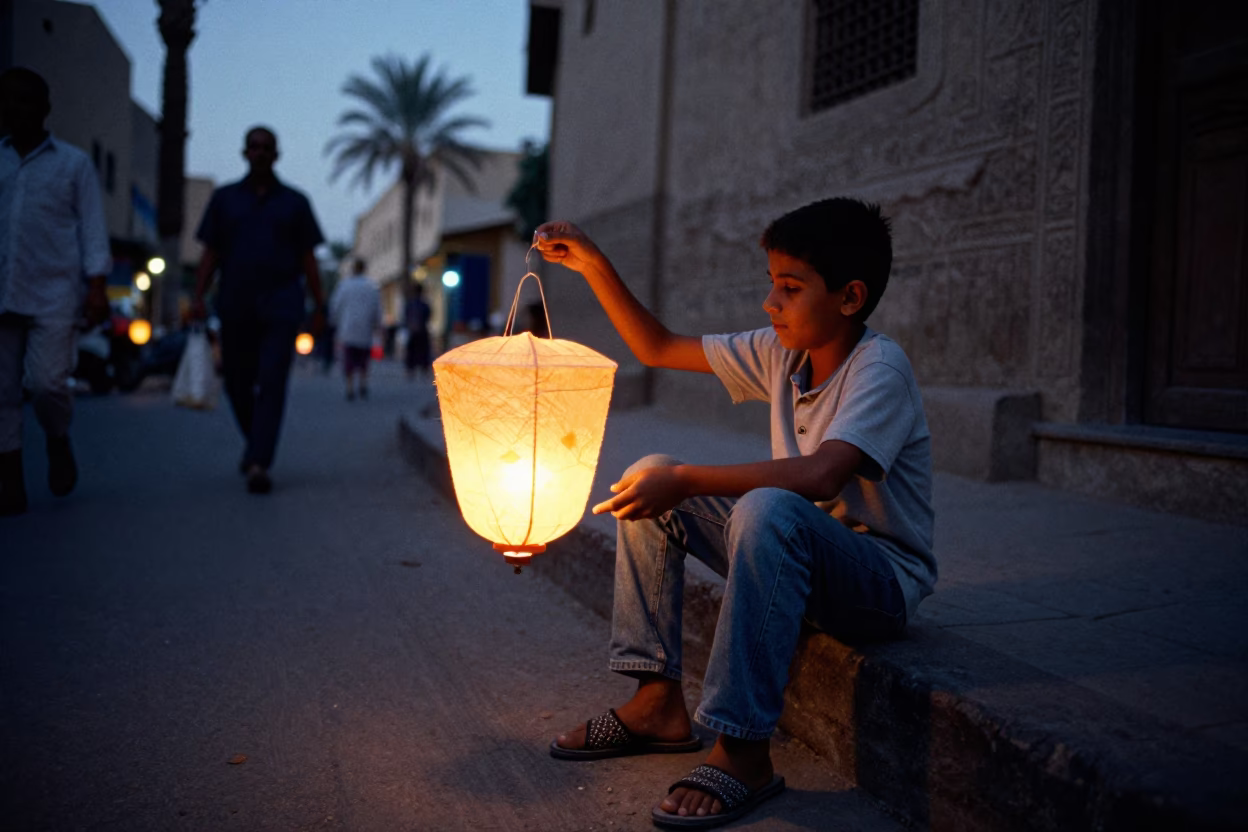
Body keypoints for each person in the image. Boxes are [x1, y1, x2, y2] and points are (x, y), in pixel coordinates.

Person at [534, 197, 935, 829]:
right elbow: (659, 345)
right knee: (646, 478)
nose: (769, 303)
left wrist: (689, 480)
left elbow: (820, 474)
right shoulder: (784, 352)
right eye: (770, 285)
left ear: (849, 297)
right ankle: (656, 702)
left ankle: (743, 748)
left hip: (878, 583)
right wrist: (592, 265)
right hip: (797, 551)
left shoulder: (880, 368)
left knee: (764, 505)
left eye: (790, 288)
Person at [0, 68, 111, 517]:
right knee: (3, 391)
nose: (19, 109)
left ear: (45, 109)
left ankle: (57, 436)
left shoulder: (73, 163)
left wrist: (97, 286)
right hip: (3, 291)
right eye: (12, 101)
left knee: (46, 384)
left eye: (29, 101)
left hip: (54, 291)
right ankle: (9, 481)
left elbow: (93, 230)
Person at [192, 126, 326, 495]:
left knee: (272, 381)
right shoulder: (224, 200)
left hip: (281, 306)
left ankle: (258, 463)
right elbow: (210, 254)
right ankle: (256, 445)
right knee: (236, 383)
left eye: (267, 147)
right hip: (235, 304)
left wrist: (320, 306)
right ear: (244, 153)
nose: (260, 152)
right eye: (254, 147)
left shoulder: (295, 203)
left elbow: (308, 258)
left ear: (276, 154)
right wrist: (198, 297)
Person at [329, 257, 381, 400]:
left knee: (349, 360)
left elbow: (335, 306)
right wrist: (377, 325)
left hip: (347, 329)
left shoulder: (344, 285)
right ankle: (363, 384)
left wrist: (334, 322)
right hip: (365, 329)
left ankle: (350, 386)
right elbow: (377, 309)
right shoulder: (371, 287)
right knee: (363, 359)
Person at [402, 282, 431, 381]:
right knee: (423, 351)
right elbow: (428, 316)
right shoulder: (424, 305)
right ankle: (424, 370)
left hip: (412, 331)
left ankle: (411, 371)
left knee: (411, 352)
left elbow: (405, 317)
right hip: (422, 330)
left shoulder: (410, 304)